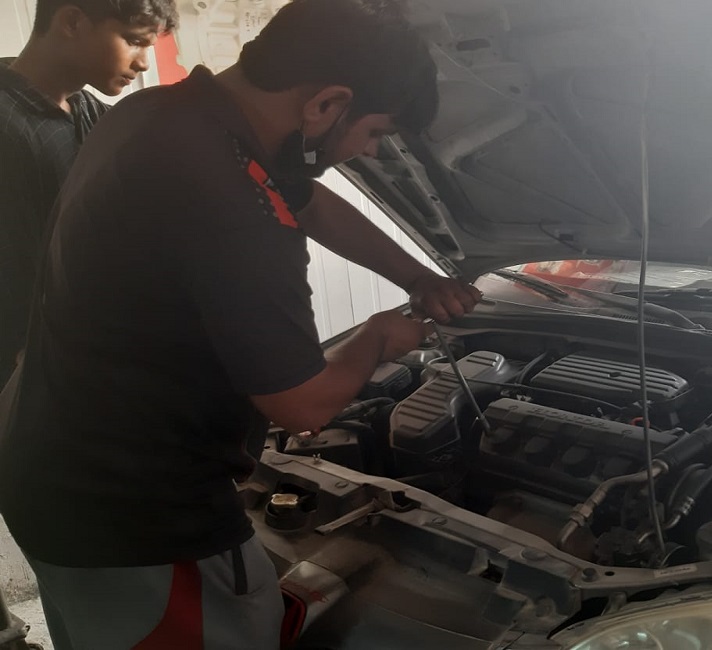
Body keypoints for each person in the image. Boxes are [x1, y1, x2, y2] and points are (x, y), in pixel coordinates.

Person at [0, 0, 481, 647]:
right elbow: (302, 404)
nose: (368, 152)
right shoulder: (236, 201)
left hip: (51, 470)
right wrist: (377, 337)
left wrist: (420, 278)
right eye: (374, 134)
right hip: (135, 518)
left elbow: (311, 201)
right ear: (327, 103)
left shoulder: (161, 114)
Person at [0, 0, 177, 385]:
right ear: (71, 21)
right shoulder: (7, 124)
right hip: (29, 370)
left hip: (87, 353)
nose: (143, 63)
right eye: (133, 41)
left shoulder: (88, 110)